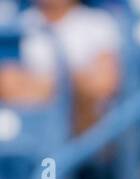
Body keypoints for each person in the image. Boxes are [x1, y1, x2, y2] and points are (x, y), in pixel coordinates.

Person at [0, 0, 121, 132]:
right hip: (32, 124)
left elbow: (102, 84)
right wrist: (72, 82)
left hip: (82, 123)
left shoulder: (98, 21)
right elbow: (7, 83)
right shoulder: (20, 22)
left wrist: (42, 83)